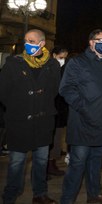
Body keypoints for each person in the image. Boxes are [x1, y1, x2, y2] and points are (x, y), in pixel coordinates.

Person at [0, 29, 60, 204]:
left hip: (43, 121)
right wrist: (21, 106)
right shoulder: (13, 63)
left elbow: (54, 90)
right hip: (19, 121)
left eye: (32, 41)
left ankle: (39, 194)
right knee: (16, 163)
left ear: (42, 44)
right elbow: (3, 92)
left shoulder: (53, 65)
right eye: (26, 40)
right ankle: (10, 196)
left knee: (41, 161)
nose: (28, 44)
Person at [60, 29, 102, 204]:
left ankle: (95, 194)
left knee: (96, 162)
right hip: (83, 122)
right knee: (77, 165)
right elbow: (66, 89)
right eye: (101, 40)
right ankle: (68, 199)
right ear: (91, 42)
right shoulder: (77, 62)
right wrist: (84, 108)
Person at [47, 46, 69, 177]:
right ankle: (48, 166)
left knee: (58, 140)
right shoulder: (49, 69)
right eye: (61, 57)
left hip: (60, 112)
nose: (63, 60)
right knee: (51, 140)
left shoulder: (63, 70)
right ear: (54, 55)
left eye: (65, 58)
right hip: (52, 111)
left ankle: (52, 163)